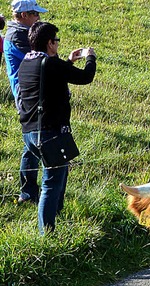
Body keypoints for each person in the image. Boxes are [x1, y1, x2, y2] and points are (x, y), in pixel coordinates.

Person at [17, 21, 96, 234]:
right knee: (51, 184)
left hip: (30, 132)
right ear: (50, 43)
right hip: (50, 133)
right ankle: (48, 234)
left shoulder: (26, 63)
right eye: (57, 41)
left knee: (57, 176)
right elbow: (86, 77)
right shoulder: (51, 64)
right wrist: (91, 57)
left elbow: (50, 79)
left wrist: (68, 61)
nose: (58, 44)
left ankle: (55, 219)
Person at [4, 0, 47, 205]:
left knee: (31, 143)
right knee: (33, 142)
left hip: (30, 92)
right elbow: (37, 60)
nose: (38, 17)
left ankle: (29, 191)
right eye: (34, 14)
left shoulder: (21, 32)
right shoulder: (18, 36)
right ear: (23, 15)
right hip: (27, 94)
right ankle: (30, 191)